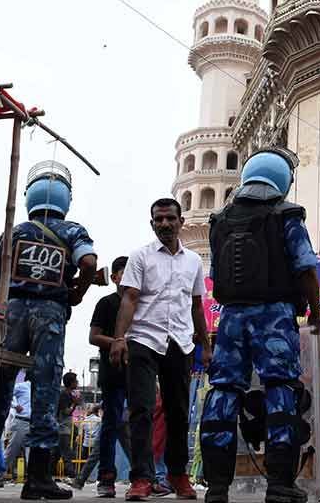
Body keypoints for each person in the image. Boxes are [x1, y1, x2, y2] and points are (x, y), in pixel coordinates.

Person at [0, 160, 97, 500]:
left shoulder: (14, 232)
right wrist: (77, 293)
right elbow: (89, 262)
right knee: (45, 388)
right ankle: (38, 478)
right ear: (66, 200)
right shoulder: (71, 231)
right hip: (50, 315)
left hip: (12, 312)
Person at [198, 148, 320, 503]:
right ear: (282, 179)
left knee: (223, 391)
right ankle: (281, 484)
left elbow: (215, 276)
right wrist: (314, 312)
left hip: (231, 317)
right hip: (274, 315)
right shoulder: (287, 214)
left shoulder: (219, 220)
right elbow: (306, 268)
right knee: (280, 389)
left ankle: (217, 487)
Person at [111, 198, 211, 501]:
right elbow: (129, 298)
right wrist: (119, 338)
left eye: (170, 219)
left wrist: (205, 345)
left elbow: (196, 306)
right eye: (159, 219)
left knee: (179, 412)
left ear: (181, 222)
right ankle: (141, 478)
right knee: (141, 409)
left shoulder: (193, 261)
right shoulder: (140, 257)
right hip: (143, 339)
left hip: (180, 343)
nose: (165, 224)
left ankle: (178, 475)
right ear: (152, 223)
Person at [88, 256, 133, 497]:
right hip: (113, 374)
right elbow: (94, 336)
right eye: (124, 273)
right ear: (115, 277)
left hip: (137, 374)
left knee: (138, 425)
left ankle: (143, 476)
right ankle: (106, 477)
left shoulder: (141, 304)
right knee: (111, 425)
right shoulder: (106, 303)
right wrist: (118, 342)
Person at [55, 372, 82, 481]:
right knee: (66, 452)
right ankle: (72, 474)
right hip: (63, 427)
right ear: (71, 383)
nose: (77, 382)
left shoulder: (69, 394)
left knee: (59, 452)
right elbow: (66, 412)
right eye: (75, 380)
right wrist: (75, 404)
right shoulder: (64, 395)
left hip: (66, 427)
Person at [4, 378, 32, 482]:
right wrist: (15, 405)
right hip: (21, 421)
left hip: (32, 422)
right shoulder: (22, 386)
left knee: (31, 451)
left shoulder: (38, 389)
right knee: (12, 450)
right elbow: (8, 392)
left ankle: (31, 477)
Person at [72, 405, 103, 490]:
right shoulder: (99, 420)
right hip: (95, 441)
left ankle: (80, 479)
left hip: (86, 443)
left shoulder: (85, 420)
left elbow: (80, 432)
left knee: (86, 460)